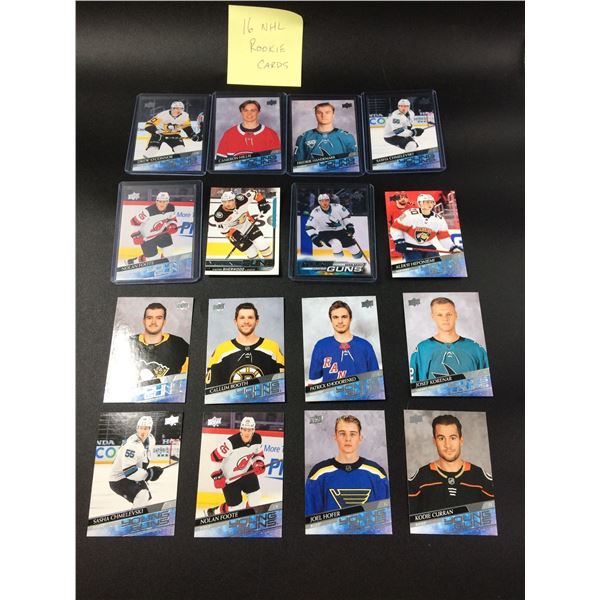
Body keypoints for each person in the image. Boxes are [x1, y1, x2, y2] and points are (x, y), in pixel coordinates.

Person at [408, 414, 494, 514]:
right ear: (434, 441)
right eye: (441, 438)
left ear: (461, 440)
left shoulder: (481, 479)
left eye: (452, 438)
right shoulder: (419, 479)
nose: (447, 445)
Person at [305, 415, 389, 515]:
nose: (347, 439)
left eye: (353, 434)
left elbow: (386, 517)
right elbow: (309, 518)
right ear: (335, 437)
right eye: (342, 434)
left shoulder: (377, 474)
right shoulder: (318, 474)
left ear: (360, 438)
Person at [409, 297, 489, 384]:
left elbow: (488, 385)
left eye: (449, 314)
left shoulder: (476, 349)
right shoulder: (422, 350)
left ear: (456, 315)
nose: (445, 318)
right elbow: (413, 387)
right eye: (440, 315)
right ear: (433, 316)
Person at [205, 303, 284, 387]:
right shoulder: (221, 350)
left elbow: (282, 385)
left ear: (257, 321)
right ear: (235, 321)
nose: (246, 321)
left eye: (250, 317)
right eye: (242, 317)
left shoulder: (272, 348)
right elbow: (211, 389)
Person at [202, 417, 266, 516]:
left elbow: (258, 454)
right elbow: (214, 456)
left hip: (247, 472)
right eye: (244, 429)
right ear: (240, 429)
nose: (247, 433)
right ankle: (214, 511)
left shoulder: (257, 439)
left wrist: (259, 462)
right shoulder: (230, 443)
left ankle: (248, 515)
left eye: (249, 430)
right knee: (236, 508)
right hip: (230, 478)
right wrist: (217, 475)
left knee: (256, 500)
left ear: (253, 430)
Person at [308, 300, 379, 383]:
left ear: (350, 319)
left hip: (362, 391)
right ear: (331, 320)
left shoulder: (365, 346)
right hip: (331, 392)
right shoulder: (321, 346)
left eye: (344, 317)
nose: (340, 321)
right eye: (335, 317)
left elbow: (376, 381)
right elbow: (313, 383)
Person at [108, 416, 164, 508]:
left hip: (133, 476)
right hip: (119, 479)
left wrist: (150, 472)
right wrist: (149, 474)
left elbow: (143, 459)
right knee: (142, 495)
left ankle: (140, 513)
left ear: (150, 429)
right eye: (140, 428)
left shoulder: (151, 440)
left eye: (145, 428)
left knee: (147, 500)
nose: (142, 431)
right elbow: (129, 471)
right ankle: (135, 515)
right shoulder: (132, 445)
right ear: (137, 428)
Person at [128, 303, 189, 385]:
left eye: (159, 318)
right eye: (149, 318)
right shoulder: (129, 342)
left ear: (164, 321)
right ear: (144, 321)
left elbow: (189, 377)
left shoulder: (179, 344)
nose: (153, 322)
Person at [389, 193, 461, 263]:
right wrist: (399, 241)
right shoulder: (409, 214)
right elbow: (396, 227)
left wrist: (452, 247)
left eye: (431, 202)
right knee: (416, 268)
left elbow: (444, 237)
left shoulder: (439, 219)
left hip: (428, 247)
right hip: (411, 247)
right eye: (427, 202)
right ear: (420, 203)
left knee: (437, 266)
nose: (430, 204)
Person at [212, 189, 272, 261]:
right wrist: (236, 234)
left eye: (230, 201)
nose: (227, 204)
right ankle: (257, 265)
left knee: (261, 243)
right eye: (224, 202)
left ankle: (270, 263)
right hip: (234, 233)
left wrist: (262, 202)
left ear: (234, 199)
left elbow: (254, 193)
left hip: (248, 225)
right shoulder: (220, 216)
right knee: (251, 252)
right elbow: (224, 231)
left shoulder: (242, 200)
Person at [304, 193, 364, 260]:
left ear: (329, 201)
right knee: (336, 244)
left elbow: (345, 218)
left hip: (340, 231)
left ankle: (360, 261)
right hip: (325, 233)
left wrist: (349, 226)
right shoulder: (315, 212)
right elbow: (309, 226)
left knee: (354, 248)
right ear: (319, 202)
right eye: (322, 201)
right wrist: (313, 237)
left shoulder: (338, 207)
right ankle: (339, 261)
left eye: (326, 200)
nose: (324, 202)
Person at [215, 100, 281, 160]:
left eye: (253, 110)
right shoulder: (229, 134)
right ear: (241, 112)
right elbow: (219, 163)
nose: (249, 113)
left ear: (258, 112)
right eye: (245, 110)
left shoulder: (271, 134)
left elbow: (277, 161)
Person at [127, 191, 179, 265]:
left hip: (162, 233)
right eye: (160, 201)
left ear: (168, 202)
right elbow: (134, 222)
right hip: (147, 237)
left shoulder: (171, 208)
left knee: (169, 251)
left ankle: (164, 263)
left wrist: (172, 225)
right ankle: (135, 261)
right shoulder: (147, 211)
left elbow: (171, 219)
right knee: (153, 259)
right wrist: (136, 235)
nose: (162, 204)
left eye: (164, 201)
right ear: (156, 201)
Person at [386, 191, 415, 258]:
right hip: (396, 235)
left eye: (405, 197)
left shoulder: (412, 208)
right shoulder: (389, 209)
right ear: (396, 199)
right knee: (395, 254)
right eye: (401, 197)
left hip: (410, 235)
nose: (403, 199)